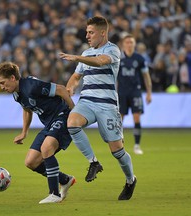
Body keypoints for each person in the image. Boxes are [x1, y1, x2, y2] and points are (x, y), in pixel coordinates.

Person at [59, 16, 136, 200]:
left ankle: (130, 179)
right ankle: (93, 162)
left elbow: (100, 61)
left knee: (117, 151)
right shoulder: (85, 54)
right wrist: (70, 87)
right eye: (86, 32)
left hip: (107, 105)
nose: (87, 36)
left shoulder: (113, 50)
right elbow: (76, 77)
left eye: (91, 32)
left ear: (103, 33)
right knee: (72, 123)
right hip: (87, 101)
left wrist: (77, 57)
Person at [0, 61, 76, 204]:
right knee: (31, 162)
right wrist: (24, 132)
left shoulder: (31, 86)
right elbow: (27, 109)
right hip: (49, 124)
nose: (1, 87)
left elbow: (61, 89)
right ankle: (65, 180)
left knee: (46, 148)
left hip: (62, 117)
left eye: (3, 83)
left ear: (13, 78)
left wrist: (74, 113)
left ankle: (54, 194)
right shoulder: (16, 94)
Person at [117, 34, 152, 155]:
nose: (129, 44)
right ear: (123, 44)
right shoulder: (118, 58)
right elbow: (114, 77)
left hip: (135, 91)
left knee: (136, 117)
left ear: (134, 44)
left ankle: (137, 145)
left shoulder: (139, 58)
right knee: (119, 119)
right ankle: (119, 145)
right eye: (127, 42)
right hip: (121, 92)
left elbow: (146, 76)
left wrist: (149, 92)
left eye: (131, 42)